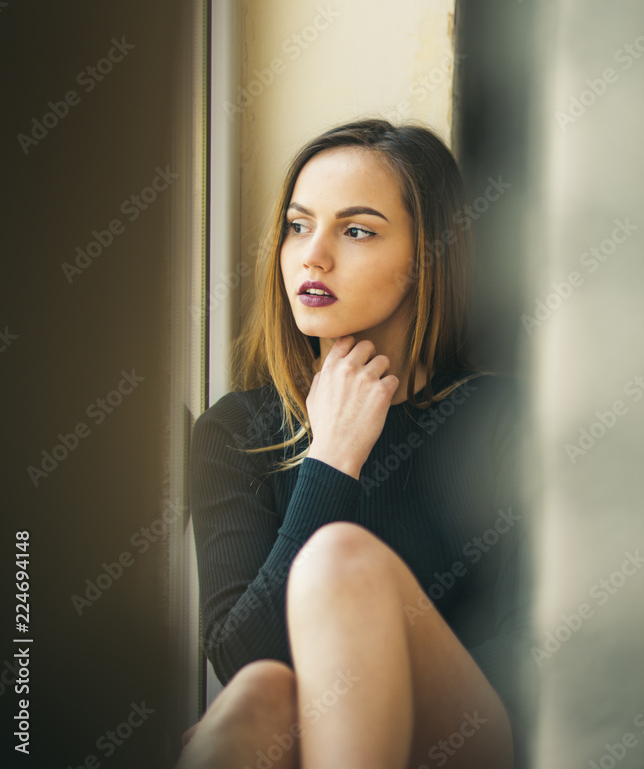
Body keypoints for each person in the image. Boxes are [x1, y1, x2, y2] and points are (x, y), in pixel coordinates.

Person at [177, 118, 532, 769]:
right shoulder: (234, 432)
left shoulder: (505, 418)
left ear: (428, 257)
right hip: (313, 736)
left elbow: (532, 644)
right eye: (297, 226)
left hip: (473, 734)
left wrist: (378, 680)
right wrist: (331, 459)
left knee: (340, 558)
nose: (311, 256)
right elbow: (241, 659)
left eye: (356, 230)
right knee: (256, 696)